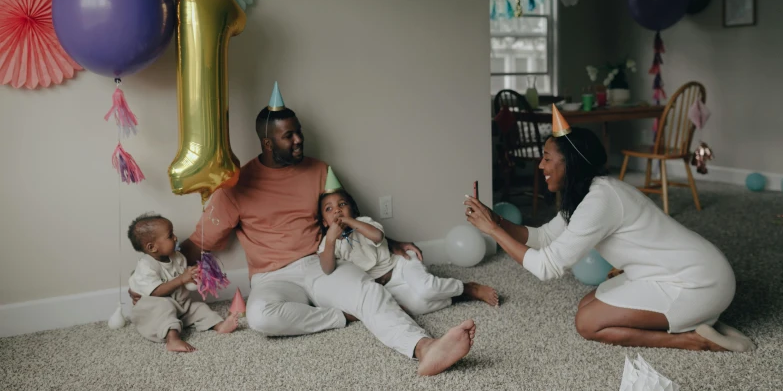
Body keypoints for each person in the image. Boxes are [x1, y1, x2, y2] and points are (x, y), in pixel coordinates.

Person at [133, 82, 475, 375]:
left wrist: (393, 241)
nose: (299, 140)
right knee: (261, 318)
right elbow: (198, 243)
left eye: (299, 132)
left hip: (319, 263)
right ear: (268, 144)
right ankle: (340, 317)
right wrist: (151, 283)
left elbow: (344, 214)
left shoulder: (319, 170)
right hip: (271, 277)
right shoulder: (235, 186)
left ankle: (425, 347)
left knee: (368, 291)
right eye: (289, 136)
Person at [463, 105, 755, 352]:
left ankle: (691, 339)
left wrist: (493, 231)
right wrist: (497, 220)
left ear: (572, 163)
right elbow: (544, 238)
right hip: (671, 274)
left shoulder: (600, 200)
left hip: (699, 282)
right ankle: (697, 318)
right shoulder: (587, 193)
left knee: (588, 324)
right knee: (587, 305)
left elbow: (546, 267)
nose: (540, 166)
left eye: (548, 158)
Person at [317, 170, 499, 315]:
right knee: (417, 306)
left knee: (426, 288)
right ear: (325, 221)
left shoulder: (364, 223)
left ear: (352, 209)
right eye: (329, 209)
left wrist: (351, 222)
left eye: (342, 205)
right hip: (386, 285)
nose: (337, 211)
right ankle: (456, 297)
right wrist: (332, 239)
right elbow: (327, 268)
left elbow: (377, 236)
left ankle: (468, 288)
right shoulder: (329, 242)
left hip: (400, 264)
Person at [127, 213, 238, 352]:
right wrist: (181, 279)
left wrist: (194, 275)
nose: (175, 237)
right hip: (156, 310)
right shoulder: (146, 266)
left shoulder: (177, 257)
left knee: (199, 308)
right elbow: (156, 292)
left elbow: (185, 279)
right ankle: (172, 340)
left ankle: (219, 325)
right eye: (170, 235)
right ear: (152, 247)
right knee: (165, 307)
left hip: (180, 306)